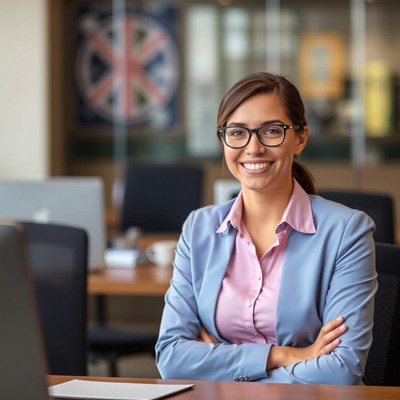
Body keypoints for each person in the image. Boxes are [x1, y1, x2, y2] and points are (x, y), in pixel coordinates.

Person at [155, 72, 377, 384]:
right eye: (237, 133)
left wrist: (221, 363)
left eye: (271, 131)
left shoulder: (346, 232)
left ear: (300, 138)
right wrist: (280, 354)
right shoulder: (199, 229)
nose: (253, 148)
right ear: (223, 141)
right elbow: (171, 358)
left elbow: (341, 371)